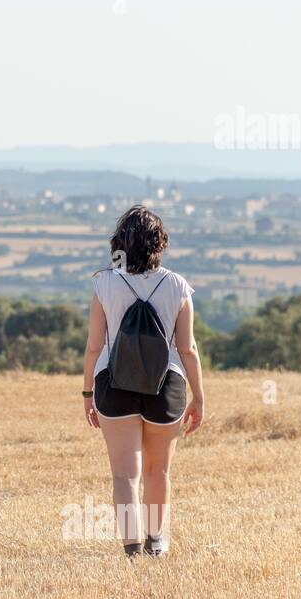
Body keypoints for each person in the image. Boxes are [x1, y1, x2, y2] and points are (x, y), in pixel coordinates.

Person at [81, 205, 204, 557]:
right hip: (167, 386)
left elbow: (93, 346)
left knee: (124, 476)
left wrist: (88, 392)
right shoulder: (178, 285)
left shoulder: (104, 282)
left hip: (112, 382)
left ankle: (132, 550)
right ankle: (157, 542)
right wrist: (199, 398)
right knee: (158, 471)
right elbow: (188, 348)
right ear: (159, 243)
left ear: (120, 243)